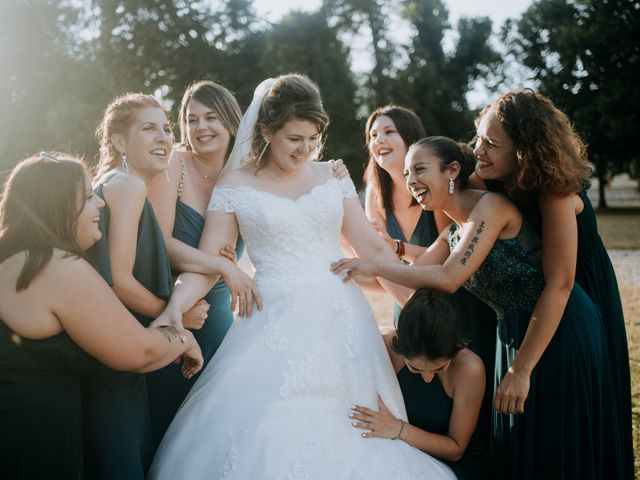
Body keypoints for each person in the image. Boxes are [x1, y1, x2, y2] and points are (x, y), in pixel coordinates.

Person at [147, 74, 456, 479]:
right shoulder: (235, 185)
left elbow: (376, 251)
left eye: (312, 139)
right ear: (266, 131)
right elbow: (207, 265)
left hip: (341, 323)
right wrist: (174, 308)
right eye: (295, 139)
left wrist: (422, 316)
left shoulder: (333, 176)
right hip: (269, 322)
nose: (306, 149)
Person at [331, 136, 623, 479]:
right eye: (408, 173)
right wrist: (346, 260)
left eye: (420, 169)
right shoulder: (456, 229)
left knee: (556, 435)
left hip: (557, 325)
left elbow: (448, 277)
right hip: (512, 332)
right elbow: (417, 275)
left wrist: (377, 267)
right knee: (523, 440)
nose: (411, 181)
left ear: (453, 170)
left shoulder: (492, 207)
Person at [0, 153, 202, 480]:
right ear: (61, 206)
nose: (101, 205)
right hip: (33, 451)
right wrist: (184, 339)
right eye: (89, 196)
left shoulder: (12, 260)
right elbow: (140, 352)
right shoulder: (57, 268)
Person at [86, 93, 253, 478]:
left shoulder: (124, 184)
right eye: (188, 120)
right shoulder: (129, 185)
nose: (173, 136)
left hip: (166, 325)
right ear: (119, 141)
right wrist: (175, 316)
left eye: (166, 128)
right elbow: (119, 280)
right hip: (140, 330)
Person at [472, 89, 634, 479]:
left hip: (579, 289)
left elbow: (561, 282)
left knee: (568, 417)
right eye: (478, 136)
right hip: (536, 298)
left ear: (525, 151)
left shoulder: (555, 189)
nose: (479, 149)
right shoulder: (493, 174)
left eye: (492, 143)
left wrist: (519, 369)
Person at [363, 105, 496, 453]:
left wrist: (390, 251)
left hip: (452, 303)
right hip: (414, 302)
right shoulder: (375, 193)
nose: (379, 140)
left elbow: (447, 260)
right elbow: (397, 266)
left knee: (463, 391)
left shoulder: (443, 195)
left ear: (411, 137)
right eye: (373, 134)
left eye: (388, 131)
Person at [146, 81, 246, 446]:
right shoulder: (175, 163)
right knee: (166, 420)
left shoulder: (248, 174)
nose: (200, 128)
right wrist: (223, 266)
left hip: (216, 314)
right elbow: (161, 242)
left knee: (213, 427)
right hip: (170, 304)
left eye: (210, 117)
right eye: (191, 120)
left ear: (231, 122)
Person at [351, 290, 491, 480]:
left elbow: (456, 448)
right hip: (400, 452)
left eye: (440, 368)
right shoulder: (385, 348)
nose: (427, 377)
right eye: (415, 369)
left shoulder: (469, 369)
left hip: (456, 466)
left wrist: (399, 429)